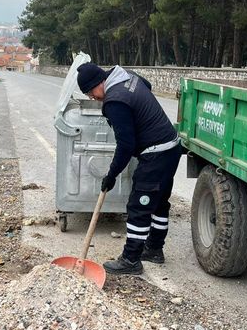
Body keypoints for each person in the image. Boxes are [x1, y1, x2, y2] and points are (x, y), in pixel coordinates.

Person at [77, 63, 181, 275]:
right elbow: (147, 85)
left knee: (138, 206)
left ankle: (131, 260)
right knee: (159, 202)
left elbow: (126, 145)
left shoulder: (115, 101)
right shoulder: (128, 76)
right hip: (171, 146)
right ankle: (154, 249)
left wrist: (111, 174)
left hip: (156, 153)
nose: (92, 98)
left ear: (98, 83)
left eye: (90, 92)